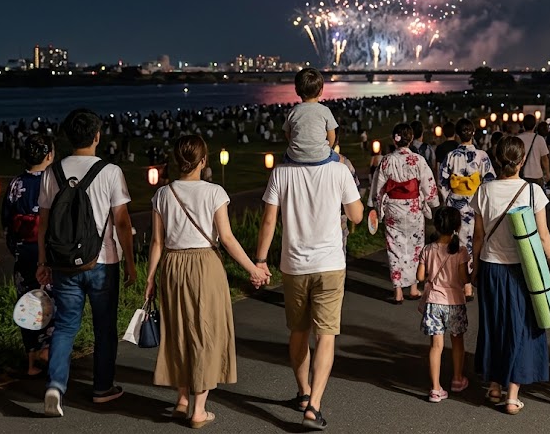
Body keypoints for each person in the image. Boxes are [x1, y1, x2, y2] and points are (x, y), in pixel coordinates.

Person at [145, 135, 269, 428]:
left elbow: (156, 242)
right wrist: (253, 268)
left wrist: (150, 278)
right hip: (205, 266)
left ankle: (182, 399)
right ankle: (199, 410)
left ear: (178, 161)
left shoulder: (163, 194)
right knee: (205, 331)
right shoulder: (215, 192)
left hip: (173, 266)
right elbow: (226, 238)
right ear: (203, 161)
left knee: (177, 330)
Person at [255, 143, 364, 431]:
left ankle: (303, 392)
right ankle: (314, 406)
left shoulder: (282, 172)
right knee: (326, 334)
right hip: (329, 263)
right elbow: (356, 215)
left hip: (294, 265)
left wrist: (261, 260)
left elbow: (269, 220)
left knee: (298, 330)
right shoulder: (339, 170)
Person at [37, 108, 136, 417]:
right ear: (97, 136)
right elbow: (122, 222)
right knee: (104, 327)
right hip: (103, 262)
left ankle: (55, 385)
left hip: (64, 263)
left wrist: (43, 261)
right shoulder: (110, 171)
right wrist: (130, 262)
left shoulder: (50, 173)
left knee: (65, 326)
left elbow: (43, 224)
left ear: (67, 137)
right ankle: (102, 389)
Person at [471, 136, 550, 415]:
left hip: (491, 267)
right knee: (520, 326)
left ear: (497, 160)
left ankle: (494, 385)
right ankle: (512, 394)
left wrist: (475, 269)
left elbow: (478, 237)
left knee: (494, 324)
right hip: (524, 270)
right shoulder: (533, 192)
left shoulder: (484, 191)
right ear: (521, 162)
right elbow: (544, 239)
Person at [2, 134, 55, 377]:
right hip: (48, 252)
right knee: (51, 300)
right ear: (49, 155)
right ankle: (48, 352)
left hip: (24, 251)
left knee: (28, 304)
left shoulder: (15, 184)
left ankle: (32, 360)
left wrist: (17, 247)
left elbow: (7, 223)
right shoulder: (53, 182)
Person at [371, 123, 439, 304]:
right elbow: (428, 186)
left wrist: (378, 208)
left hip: (394, 207)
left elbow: (378, 189)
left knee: (395, 247)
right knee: (415, 246)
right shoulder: (418, 160)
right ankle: (414, 288)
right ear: (410, 139)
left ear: (395, 139)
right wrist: (432, 202)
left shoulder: (386, 160)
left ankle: (398, 291)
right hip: (413, 208)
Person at [417, 207, 470, 403]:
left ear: (437, 226)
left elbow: (420, 277)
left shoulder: (427, 249)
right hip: (454, 302)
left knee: (435, 346)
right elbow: (464, 279)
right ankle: (457, 379)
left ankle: (435, 388)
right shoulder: (460, 251)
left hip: (433, 303)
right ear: (457, 226)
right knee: (457, 342)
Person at [439, 118, 495, 301]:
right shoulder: (482, 156)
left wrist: (449, 198)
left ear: (457, 134)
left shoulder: (451, 155)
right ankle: (469, 284)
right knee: (474, 242)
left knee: (458, 243)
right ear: (473, 133)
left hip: (456, 204)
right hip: (475, 203)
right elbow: (489, 181)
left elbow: (443, 182)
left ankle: (459, 281)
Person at [283, 68, 339, 165]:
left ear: (296, 90)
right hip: (321, 157)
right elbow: (331, 134)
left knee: (284, 158)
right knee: (338, 158)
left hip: (296, 158)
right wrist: (328, 148)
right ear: (321, 91)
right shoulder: (325, 111)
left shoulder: (293, 111)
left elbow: (287, 133)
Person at [516, 114, 550, 187]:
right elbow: (544, 159)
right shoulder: (540, 139)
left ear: (523, 125)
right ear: (535, 125)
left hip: (521, 174)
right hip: (536, 174)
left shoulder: (517, 139)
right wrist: (547, 173)